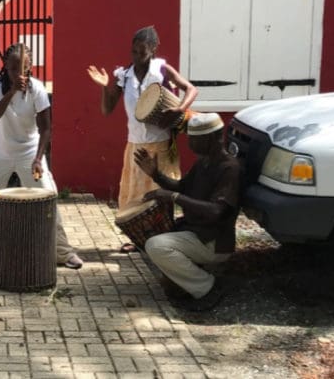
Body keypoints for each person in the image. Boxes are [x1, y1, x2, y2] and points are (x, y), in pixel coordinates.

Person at [0, 43, 83, 270]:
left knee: (47, 197)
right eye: (13, 69)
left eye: (23, 69)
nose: (18, 73)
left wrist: (38, 158)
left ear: (30, 67)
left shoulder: (37, 89)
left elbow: (46, 128)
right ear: (5, 67)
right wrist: (12, 90)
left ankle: (62, 252)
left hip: (29, 152)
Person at [86, 25, 197, 252]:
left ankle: (164, 237)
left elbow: (191, 89)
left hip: (161, 143)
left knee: (161, 192)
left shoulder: (162, 70)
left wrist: (180, 109)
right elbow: (107, 110)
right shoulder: (123, 76)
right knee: (135, 195)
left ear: (154, 50)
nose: (137, 57)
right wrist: (104, 87)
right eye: (134, 52)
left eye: (142, 52)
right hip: (135, 143)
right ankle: (137, 238)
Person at [133, 112, 240, 311]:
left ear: (212, 138)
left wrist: (172, 197)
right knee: (152, 238)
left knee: (157, 245)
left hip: (213, 241)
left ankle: (207, 287)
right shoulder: (204, 162)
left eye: (194, 139)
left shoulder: (229, 169)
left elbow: (216, 211)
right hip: (196, 232)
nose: (190, 143)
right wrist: (156, 174)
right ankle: (185, 283)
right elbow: (182, 187)